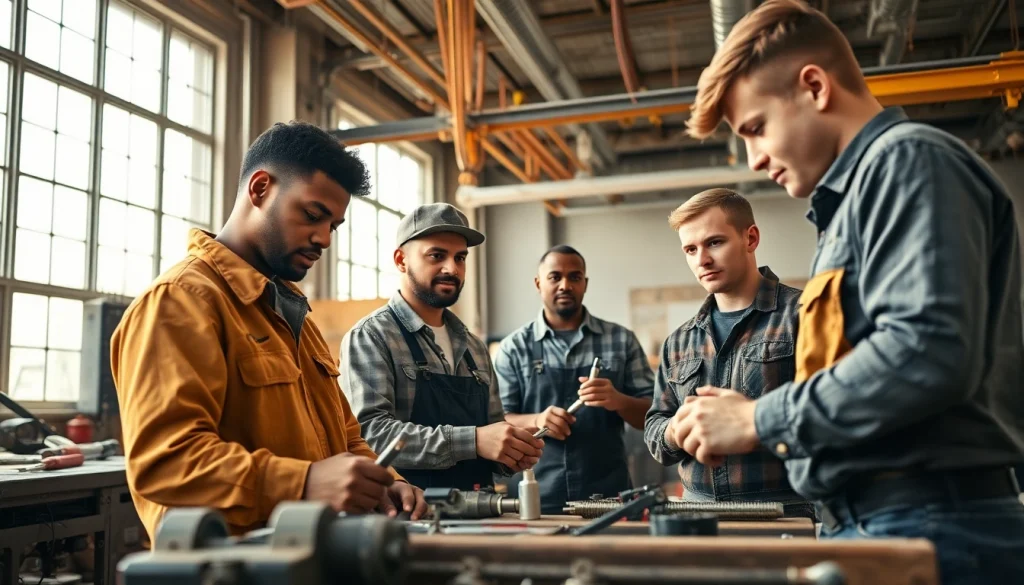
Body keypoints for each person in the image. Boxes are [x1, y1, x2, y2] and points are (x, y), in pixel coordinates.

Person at [672, 0, 1024, 582]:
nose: (754, 159)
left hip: (931, 521)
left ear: (814, 87)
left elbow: (927, 352)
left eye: (756, 128)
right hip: (879, 520)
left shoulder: (907, 161)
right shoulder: (851, 205)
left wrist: (758, 417)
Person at [111, 122, 427, 540]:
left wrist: (387, 482)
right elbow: (165, 464)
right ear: (260, 189)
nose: (324, 239)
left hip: (306, 555)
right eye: (312, 215)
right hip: (225, 565)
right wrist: (301, 483)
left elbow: (347, 438)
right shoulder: (181, 302)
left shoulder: (294, 317)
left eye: (333, 226)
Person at [341, 203, 544, 491]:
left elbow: (492, 430)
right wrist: (473, 440)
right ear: (401, 260)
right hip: (406, 510)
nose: (452, 268)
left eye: (460, 258)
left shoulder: (474, 348)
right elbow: (370, 437)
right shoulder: (371, 337)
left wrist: (511, 453)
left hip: (479, 509)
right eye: (437, 255)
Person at [644, 189, 810, 514]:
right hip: (696, 513)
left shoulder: (804, 315)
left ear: (750, 238)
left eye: (714, 243)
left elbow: (832, 413)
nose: (702, 260)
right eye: (690, 249)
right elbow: (655, 426)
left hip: (785, 511)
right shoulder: (679, 341)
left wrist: (755, 421)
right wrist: (674, 431)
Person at [494, 245, 655, 513]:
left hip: (609, 494)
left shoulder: (621, 340)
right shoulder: (514, 347)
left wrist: (618, 401)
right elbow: (498, 421)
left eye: (574, 277)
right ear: (538, 283)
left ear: (585, 283)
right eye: (555, 277)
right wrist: (537, 420)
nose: (565, 285)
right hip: (534, 494)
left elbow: (653, 415)